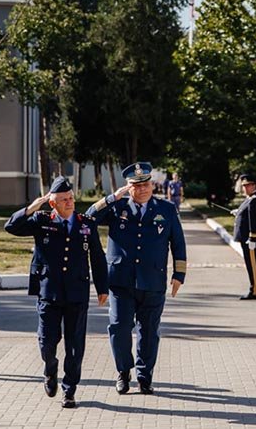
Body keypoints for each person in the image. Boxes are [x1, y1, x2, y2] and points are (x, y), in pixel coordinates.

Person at [5, 177, 108, 408]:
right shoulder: (42, 221)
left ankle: (69, 389)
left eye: (71, 198)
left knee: (75, 345)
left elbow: (98, 258)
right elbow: (11, 226)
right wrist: (33, 207)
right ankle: (50, 369)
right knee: (47, 341)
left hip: (77, 293)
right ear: (53, 203)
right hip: (48, 292)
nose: (70, 202)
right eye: (64, 200)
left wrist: (103, 288)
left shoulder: (86, 223)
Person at [87, 162, 187, 395]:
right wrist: (112, 197)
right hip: (121, 281)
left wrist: (178, 274)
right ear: (127, 187)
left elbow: (178, 243)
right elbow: (89, 218)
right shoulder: (116, 208)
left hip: (153, 281)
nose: (142, 189)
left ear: (152, 185)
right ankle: (123, 372)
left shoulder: (167, 209)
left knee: (149, 331)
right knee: (119, 327)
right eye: (135, 185)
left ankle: (144, 375)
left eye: (146, 184)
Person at [232, 174, 256, 299]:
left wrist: (252, 238)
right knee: (249, 264)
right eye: (244, 186)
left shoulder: (255, 200)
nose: (245, 188)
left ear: (253, 186)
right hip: (245, 238)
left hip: (250, 239)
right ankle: (253, 288)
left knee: (253, 265)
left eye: (248, 185)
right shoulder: (249, 199)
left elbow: (254, 221)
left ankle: (255, 290)